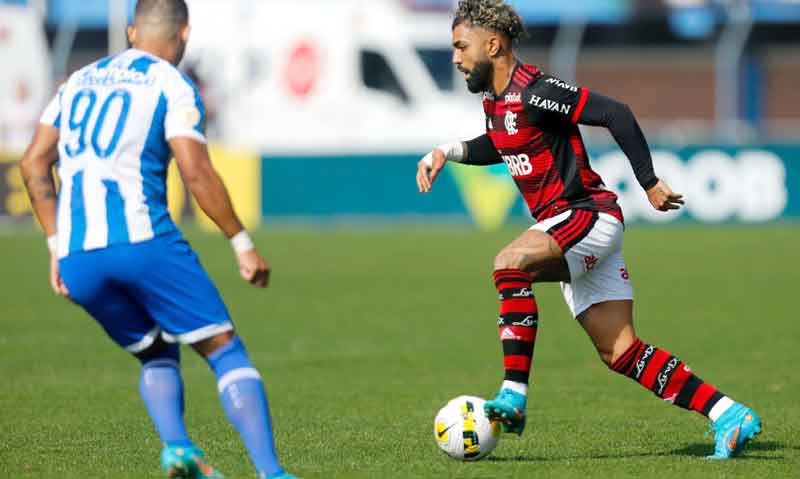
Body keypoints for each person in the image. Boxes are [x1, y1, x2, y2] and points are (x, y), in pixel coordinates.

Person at [416, 0, 761, 459]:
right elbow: (500, 143)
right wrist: (447, 151)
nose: (456, 57)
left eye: (462, 46)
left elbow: (614, 113)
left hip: (587, 214)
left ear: (493, 44)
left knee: (509, 264)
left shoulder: (535, 89)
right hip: (567, 226)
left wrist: (650, 183)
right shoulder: (495, 101)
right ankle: (729, 414)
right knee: (620, 352)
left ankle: (513, 395)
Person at [19, 1, 295, 477]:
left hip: (78, 255)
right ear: (184, 32)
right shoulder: (172, 83)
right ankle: (272, 473)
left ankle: (178, 448)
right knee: (225, 350)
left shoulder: (76, 81)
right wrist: (241, 242)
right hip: (143, 242)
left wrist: (54, 244)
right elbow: (197, 171)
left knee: (153, 349)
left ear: (130, 31)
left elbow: (32, 163)